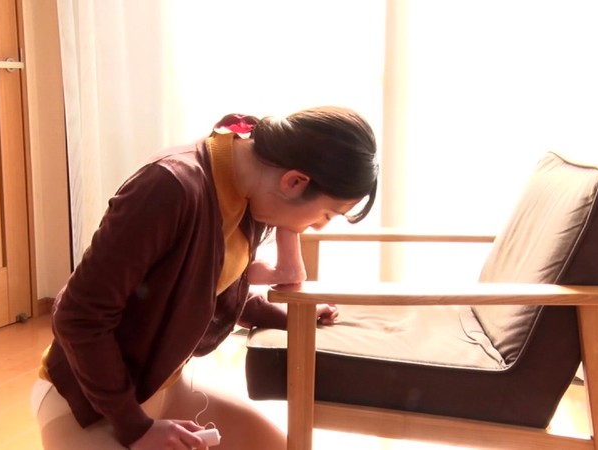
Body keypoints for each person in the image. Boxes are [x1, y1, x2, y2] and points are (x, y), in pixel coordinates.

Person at [32, 106, 379, 449]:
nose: (317, 226)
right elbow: (78, 316)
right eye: (327, 214)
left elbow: (208, 283)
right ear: (294, 181)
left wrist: (283, 315)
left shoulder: (248, 187)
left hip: (161, 390)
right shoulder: (169, 187)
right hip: (89, 404)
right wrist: (136, 428)